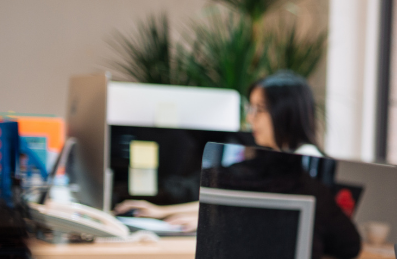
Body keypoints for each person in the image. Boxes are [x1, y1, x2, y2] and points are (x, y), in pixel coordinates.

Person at [114, 71, 324, 228]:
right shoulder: (276, 159)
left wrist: (209, 223)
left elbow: (268, 219)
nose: (250, 119)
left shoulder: (307, 160)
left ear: (285, 112)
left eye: (258, 110)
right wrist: (161, 212)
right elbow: (231, 203)